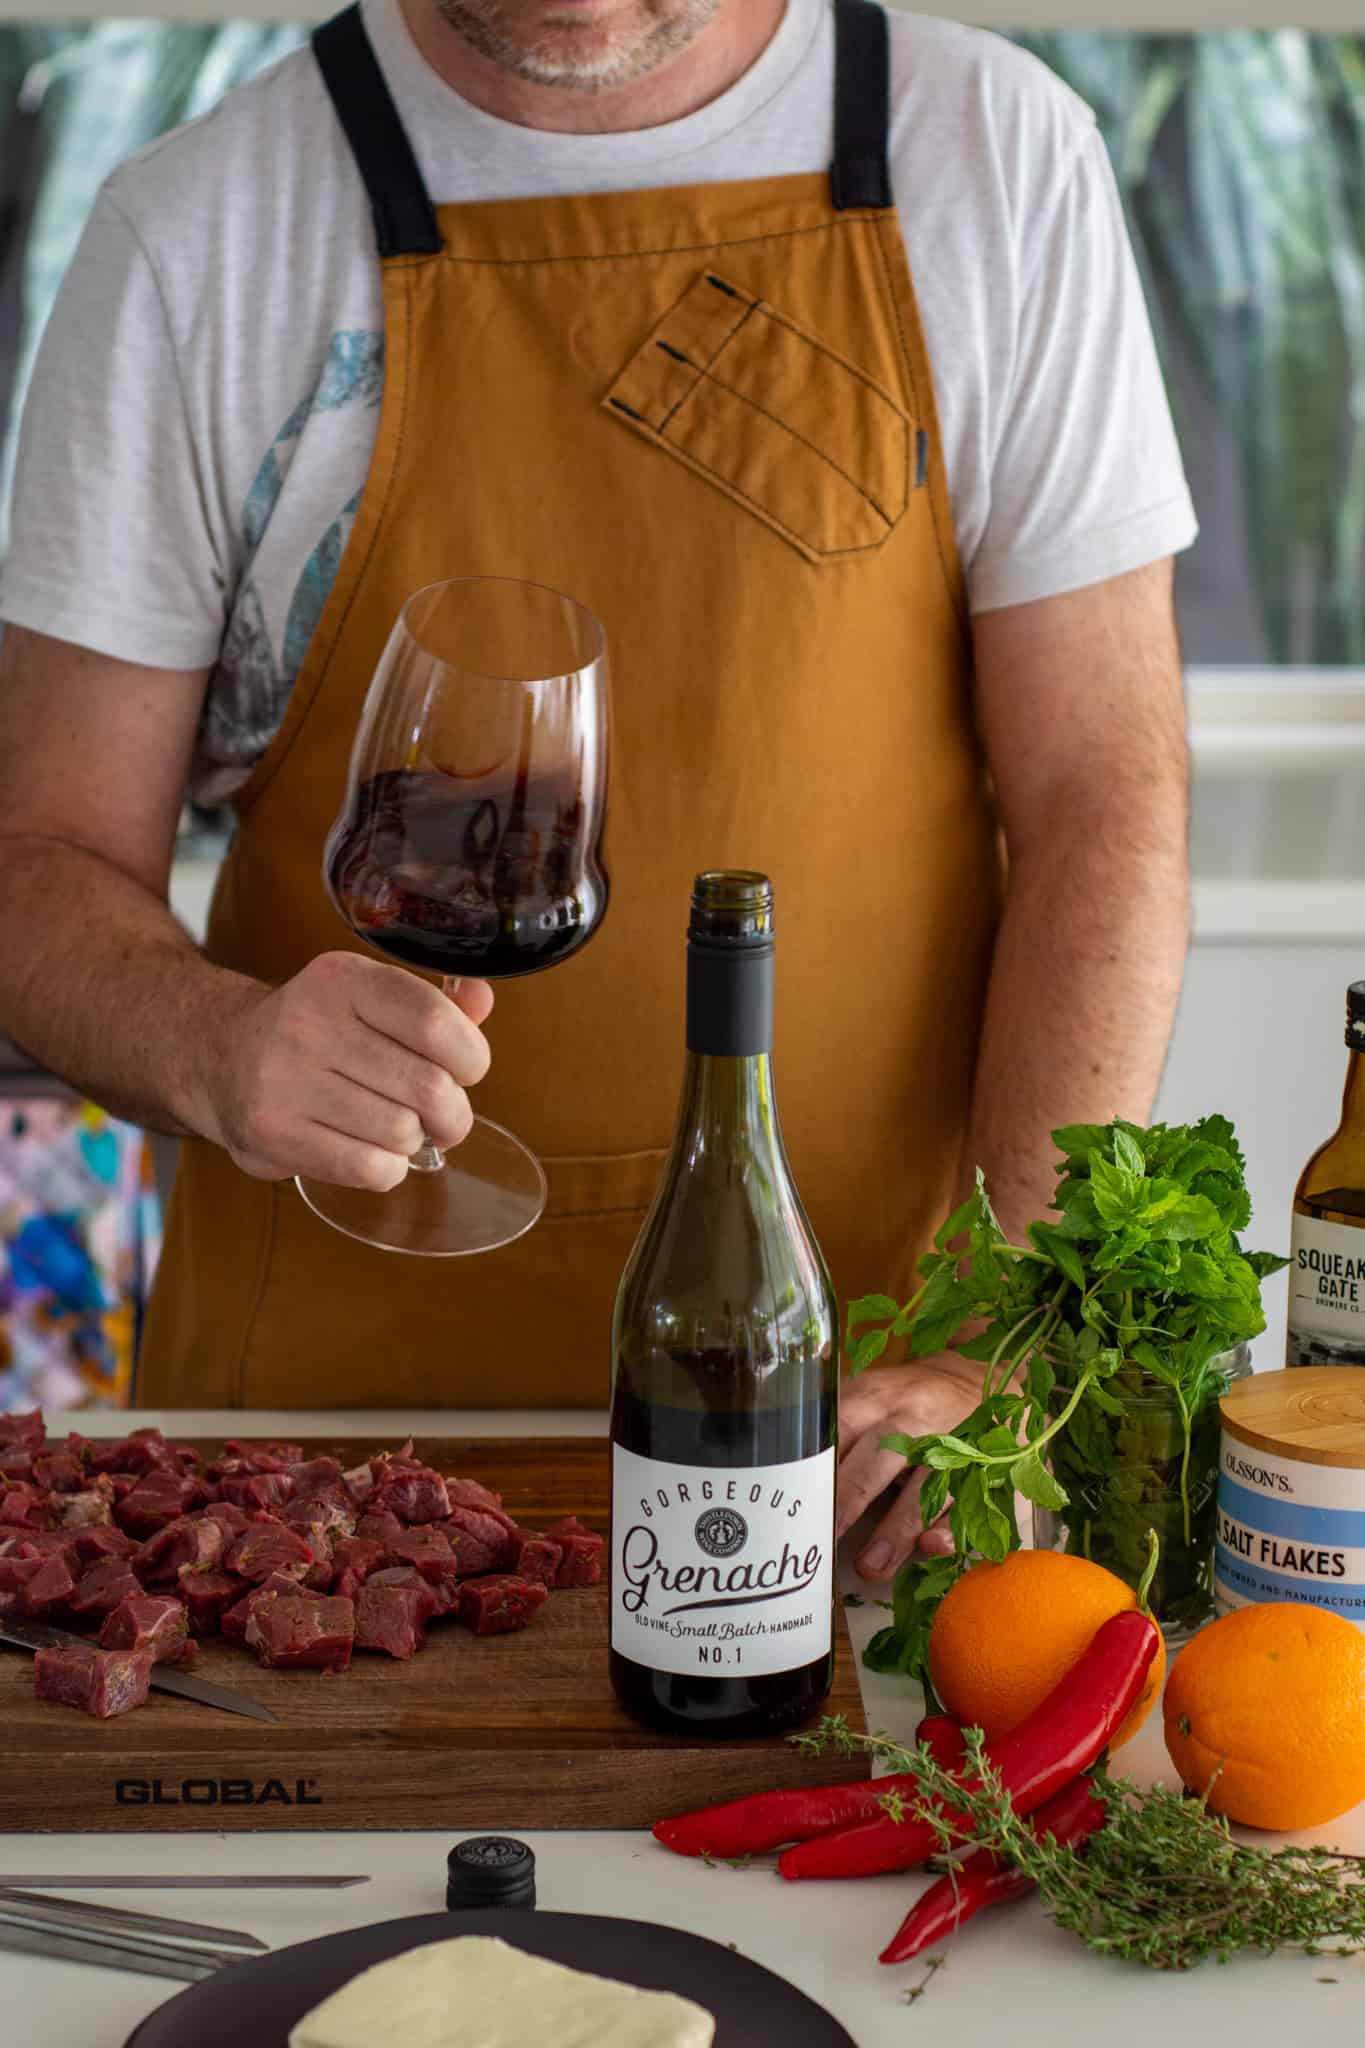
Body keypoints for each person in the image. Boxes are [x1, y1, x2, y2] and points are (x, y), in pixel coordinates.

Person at [0, 0, 1191, 1584]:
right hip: (326, 1458)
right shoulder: (199, 228)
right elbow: (38, 853)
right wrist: (211, 1044)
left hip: (852, 1426)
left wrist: (1012, 1340)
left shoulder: (993, 155)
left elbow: (1102, 795)